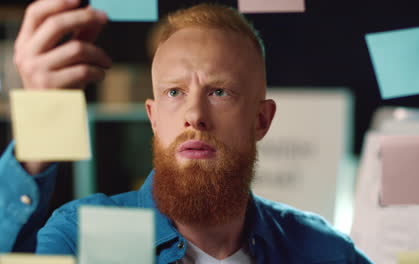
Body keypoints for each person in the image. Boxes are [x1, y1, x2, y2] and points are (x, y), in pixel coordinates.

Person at [0, 0, 373, 263]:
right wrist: (40, 118)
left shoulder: (322, 250)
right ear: (153, 117)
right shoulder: (80, 235)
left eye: (219, 92)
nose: (194, 115)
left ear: (261, 120)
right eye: (174, 93)